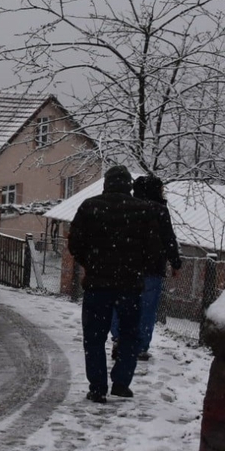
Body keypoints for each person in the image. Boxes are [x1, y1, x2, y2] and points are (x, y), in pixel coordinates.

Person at [67, 165, 161, 404]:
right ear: (129, 185)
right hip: (130, 286)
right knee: (130, 335)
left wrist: (90, 262)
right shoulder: (145, 211)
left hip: (97, 285)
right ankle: (121, 382)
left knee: (94, 338)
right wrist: (136, 267)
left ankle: (97, 387)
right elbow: (153, 251)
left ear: (106, 183)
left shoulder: (89, 207)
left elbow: (75, 244)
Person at [111, 175, 182, 361]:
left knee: (121, 304)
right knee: (146, 309)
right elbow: (168, 238)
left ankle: (119, 338)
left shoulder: (127, 206)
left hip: (125, 267)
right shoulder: (159, 210)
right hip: (152, 268)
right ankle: (140, 346)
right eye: (160, 189)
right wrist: (175, 262)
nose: (162, 192)